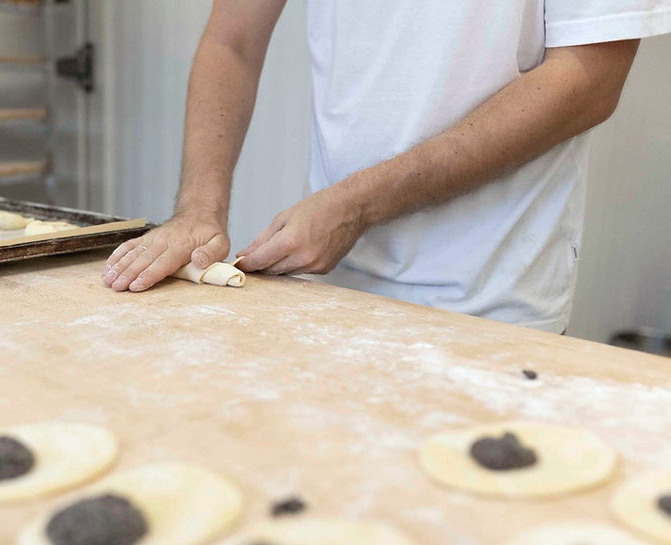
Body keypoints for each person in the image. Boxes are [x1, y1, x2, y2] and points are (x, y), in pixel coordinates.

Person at [101, 0, 671, 333]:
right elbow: (233, 39)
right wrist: (198, 208)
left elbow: (587, 79)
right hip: (325, 284)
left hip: (491, 292)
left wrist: (358, 204)